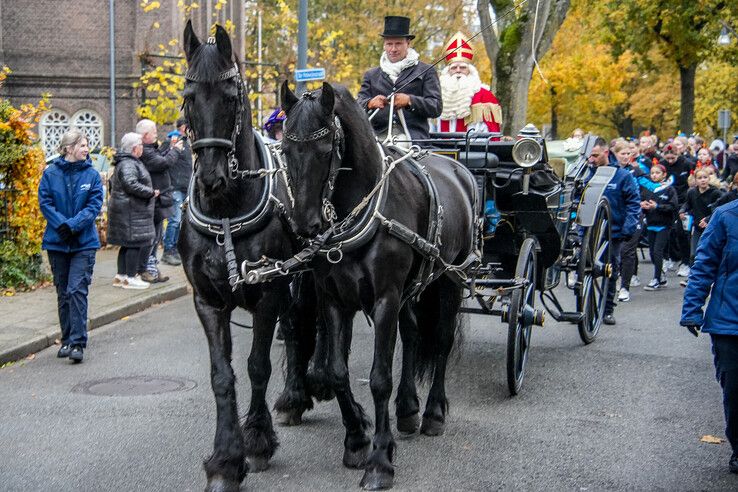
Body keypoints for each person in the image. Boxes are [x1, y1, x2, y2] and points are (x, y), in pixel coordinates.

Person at [680, 199, 738, 475]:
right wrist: (692, 308)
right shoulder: (725, 216)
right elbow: (704, 264)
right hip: (730, 322)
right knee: (735, 392)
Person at [38, 129, 103, 363]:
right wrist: (61, 225)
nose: (86, 149)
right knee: (63, 292)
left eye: (86, 144)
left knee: (77, 290)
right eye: (82, 145)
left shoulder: (92, 175)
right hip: (57, 242)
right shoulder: (50, 173)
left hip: (84, 243)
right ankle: (66, 339)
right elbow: (45, 202)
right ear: (68, 148)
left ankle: (77, 343)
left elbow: (94, 206)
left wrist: (73, 225)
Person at [357, 15, 442, 141]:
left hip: (411, 138)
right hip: (376, 138)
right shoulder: (371, 75)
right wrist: (369, 103)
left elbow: (435, 107)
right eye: (389, 44)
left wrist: (410, 101)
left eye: (398, 44)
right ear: (384, 45)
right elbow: (357, 104)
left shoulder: (426, 71)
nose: (393, 49)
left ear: (408, 43)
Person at [587, 138, 641, 325]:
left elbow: (634, 204)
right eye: (590, 156)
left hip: (614, 232)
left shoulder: (623, 176)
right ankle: (586, 308)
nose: (592, 160)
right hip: (590, 232)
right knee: (586, 270)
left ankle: (607, 309)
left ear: (605, 153)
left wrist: (628, 228)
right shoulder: (587, 174)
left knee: (610, 270)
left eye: (595, 155)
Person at [107, 133, 157, 290]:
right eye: (141, 145)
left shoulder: (125, 162)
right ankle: (130, 277)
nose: (142, 148)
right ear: (135, 148)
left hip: (127, 210)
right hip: (131, 212)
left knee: (126, 244)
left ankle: (120, 276)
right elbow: (130, 184)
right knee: (134, 244)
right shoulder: (129, 164)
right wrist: (150, 192)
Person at [136, 118, 183, 282]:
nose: (157, 133)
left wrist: (170, 148)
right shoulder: (145, 151)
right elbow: (162, 163)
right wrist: (175, 150)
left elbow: (161, 158)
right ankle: (146, 269)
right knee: (152, 237)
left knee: (156, 237)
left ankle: (152, 269)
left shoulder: (150, 149)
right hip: (154, 199)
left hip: (160, 198)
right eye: (154, 131)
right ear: (145, 135)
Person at [436, 32, 502, 134]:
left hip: (473, 147)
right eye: (453, 68)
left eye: (462, 67)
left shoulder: (485, 95)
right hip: (441, 148)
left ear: (470, 70)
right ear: (448, 71)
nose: (458, 71)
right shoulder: (438, 94)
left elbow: (492, 130)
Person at [612, 139, 645, 302]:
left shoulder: (636, 171)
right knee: (615, 252)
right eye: (622, 154)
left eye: (628, 154)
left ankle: (625, 286)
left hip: (634, 215)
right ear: (615, 154)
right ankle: (614, 279)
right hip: (616, 215)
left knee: (628, 250)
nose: (625, 157)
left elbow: (651, 186)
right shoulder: (611, 172)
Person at [679, 167, 724, 286]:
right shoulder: (692, 192)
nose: (703, 180)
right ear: (695, 180)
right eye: (700, 178)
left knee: (711, 253)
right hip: (698, 228)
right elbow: (687, 204)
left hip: (712, 228)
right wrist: (682, 211)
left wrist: (708, 219)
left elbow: (719, 210)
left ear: (709, 179)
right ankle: (692, 278)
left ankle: (714, 278)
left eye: (705, 177)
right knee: (694, 254)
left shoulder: (716, 193)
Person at [640, 164, 678, 291]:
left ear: (664, 175)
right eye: (652, 173)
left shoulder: (669, 189)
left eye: (657, 173)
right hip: (651, 224)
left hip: (664, 225)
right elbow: (642, 203)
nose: (654, 175)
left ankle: (656, 278)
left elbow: (673, 206)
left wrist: (658, 207)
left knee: (657, 251)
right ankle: (661, 276)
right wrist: (643, 206)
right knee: (652, 252)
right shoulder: (648, 189)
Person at [160, 117, 192, 266]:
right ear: (182, 127)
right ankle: (168, 251)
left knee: (182, 221)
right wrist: (172, 147)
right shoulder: (171, 141)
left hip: (186, 187)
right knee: (174, 220)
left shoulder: (187, 143)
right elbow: (162, 160)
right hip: (175, 188)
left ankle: (176, 250)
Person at [661, 143, 693, 277]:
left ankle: (685, 261)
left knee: (681, 232)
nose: (670, 160)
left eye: (672, 157)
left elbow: (690, 181)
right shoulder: (663, 164)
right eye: (667, 157)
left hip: (682, 200)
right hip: (668, 200)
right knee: (667, 232)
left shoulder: (686, 164)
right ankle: (668, 257)